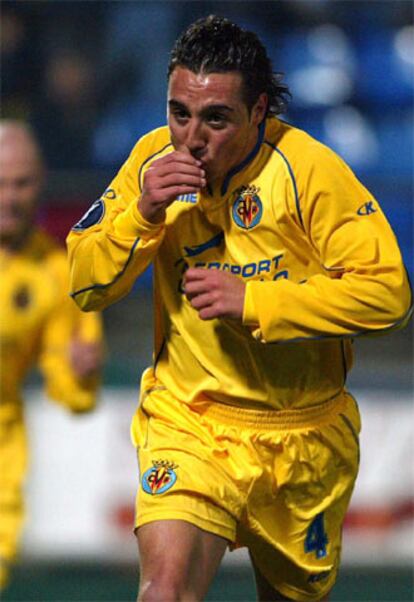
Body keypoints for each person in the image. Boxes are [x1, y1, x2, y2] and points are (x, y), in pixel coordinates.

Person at [66, 16, 412, 602]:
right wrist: (143, 214)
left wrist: (258, 301)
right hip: (190, 421)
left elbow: (389, 295)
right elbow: (83, 283)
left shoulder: (309, 173)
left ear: (258, 112)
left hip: (303, 438)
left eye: (215, 118)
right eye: (179, 113)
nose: (191, 138)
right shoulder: (152, 161)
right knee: (164, 592)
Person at [0, 120, 103, 590]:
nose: (10, 197)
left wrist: (80, 373)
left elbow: (70, 391)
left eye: (21, 183)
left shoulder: (57, 274)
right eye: (0, 183)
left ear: (40, 184)